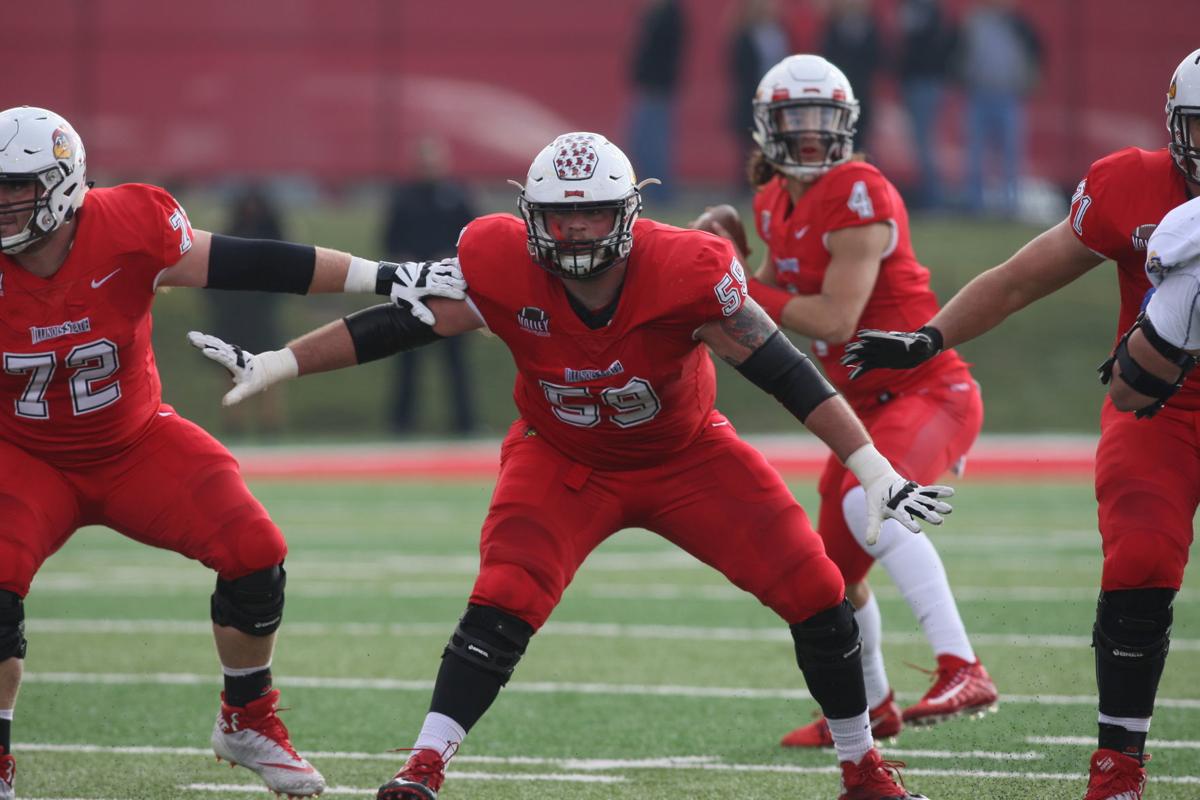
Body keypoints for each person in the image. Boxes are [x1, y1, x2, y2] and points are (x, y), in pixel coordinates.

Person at [188, 131, 955, 800]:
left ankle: (863, 771)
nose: (578, 227)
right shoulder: (500, 259)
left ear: (629, 214)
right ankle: (423, 765)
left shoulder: (686, 268)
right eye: (561, 213)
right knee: (504, 596)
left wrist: (870, 462)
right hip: (564, 457)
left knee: (817, 590)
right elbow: (409, 319)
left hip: (687, 456)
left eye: (593, 210)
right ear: (532, 218)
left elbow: (785, 371)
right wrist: (284, 362)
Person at [0, 105, 465, 800]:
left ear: (65, 184)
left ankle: (245, 720)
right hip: (23, 455)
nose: (5, 201)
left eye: (18, 185)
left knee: (256, 549)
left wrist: (389, 276)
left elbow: (258, 262)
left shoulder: (127, 224)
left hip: (134, 443)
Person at [841, 49, 1200, 800]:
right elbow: (1019, 277)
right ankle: (1118, 769)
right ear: (1174, 128)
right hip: (1164, 407)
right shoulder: (1129, 186)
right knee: (1138, 559)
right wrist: (929, 338)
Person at [697, 54, 996, 748]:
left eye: (820, 119)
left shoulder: (861, 190)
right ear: (767, 126)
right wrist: (732, 269)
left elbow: (833, 319)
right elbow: (775, 296)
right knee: (827, 580)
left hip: (927, 391)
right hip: (860, 410)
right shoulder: (773, 197)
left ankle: (963, 664)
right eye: (793, 119)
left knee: (874, 502)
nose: (807, 134)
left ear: (846, 125)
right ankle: (875, 708)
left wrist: (733, 280)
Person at [381, 138, 478, 435]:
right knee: (408, 358)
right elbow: (390, 239)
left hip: (450, 290)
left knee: (456, 360)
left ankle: (465, 423)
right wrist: (407, 263)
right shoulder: (404, 197)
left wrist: (450, 258)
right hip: (414, 290)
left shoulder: (457, 195)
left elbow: (474, 236)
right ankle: (402, 423)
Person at [206, 184, 289, 437]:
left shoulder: (269, 235)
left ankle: (269, 420)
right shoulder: (231, 234)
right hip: (234, 314)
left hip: (260, 314)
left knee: (268, 369)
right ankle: (235, 420)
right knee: (232, 370)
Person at [956, 0, 1043, 216]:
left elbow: (1034, 54)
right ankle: (975, 203)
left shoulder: (1019, 25)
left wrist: (1028, 80)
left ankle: (1010, 204)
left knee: (1010, 153)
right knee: (975, 153)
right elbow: (960, 54)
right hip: (979, 93)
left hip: (1008, 95)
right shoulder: (974, 23)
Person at [896, 0, 958, 210]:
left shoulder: (928, 9)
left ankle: (933, 199)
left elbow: (942, 41)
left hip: (925, 82)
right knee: (921, 143)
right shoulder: (914, 7)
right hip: (916, 81)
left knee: (925, 143)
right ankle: (930, 196)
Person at [626, 0, 687, 204]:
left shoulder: (669, 13)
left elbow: (661, 54)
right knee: (647, 142)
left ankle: (659, 193)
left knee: (649, 143)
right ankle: (656, 192)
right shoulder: (665, 12)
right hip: (653, 87)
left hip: (655, 88)